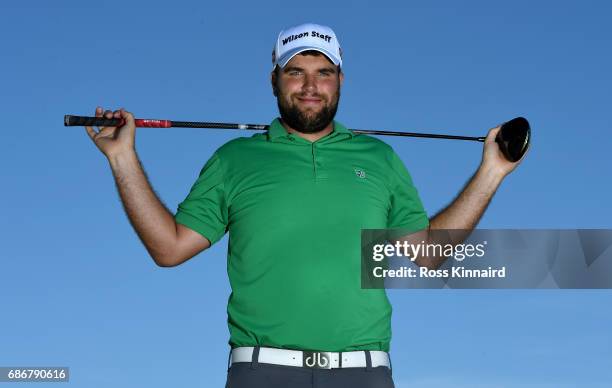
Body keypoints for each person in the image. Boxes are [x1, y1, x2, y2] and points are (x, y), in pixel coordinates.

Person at [85, 22, 525, 388]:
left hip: (363, 373)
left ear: (340, 80)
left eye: (324, 72)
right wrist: (121, 157)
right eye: (295, 72)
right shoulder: (234, 159)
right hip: (261, 371)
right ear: (274, 80)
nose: (311, 86)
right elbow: (169, 248)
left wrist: (492, 171)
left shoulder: (380, 159)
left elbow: (429, 254)